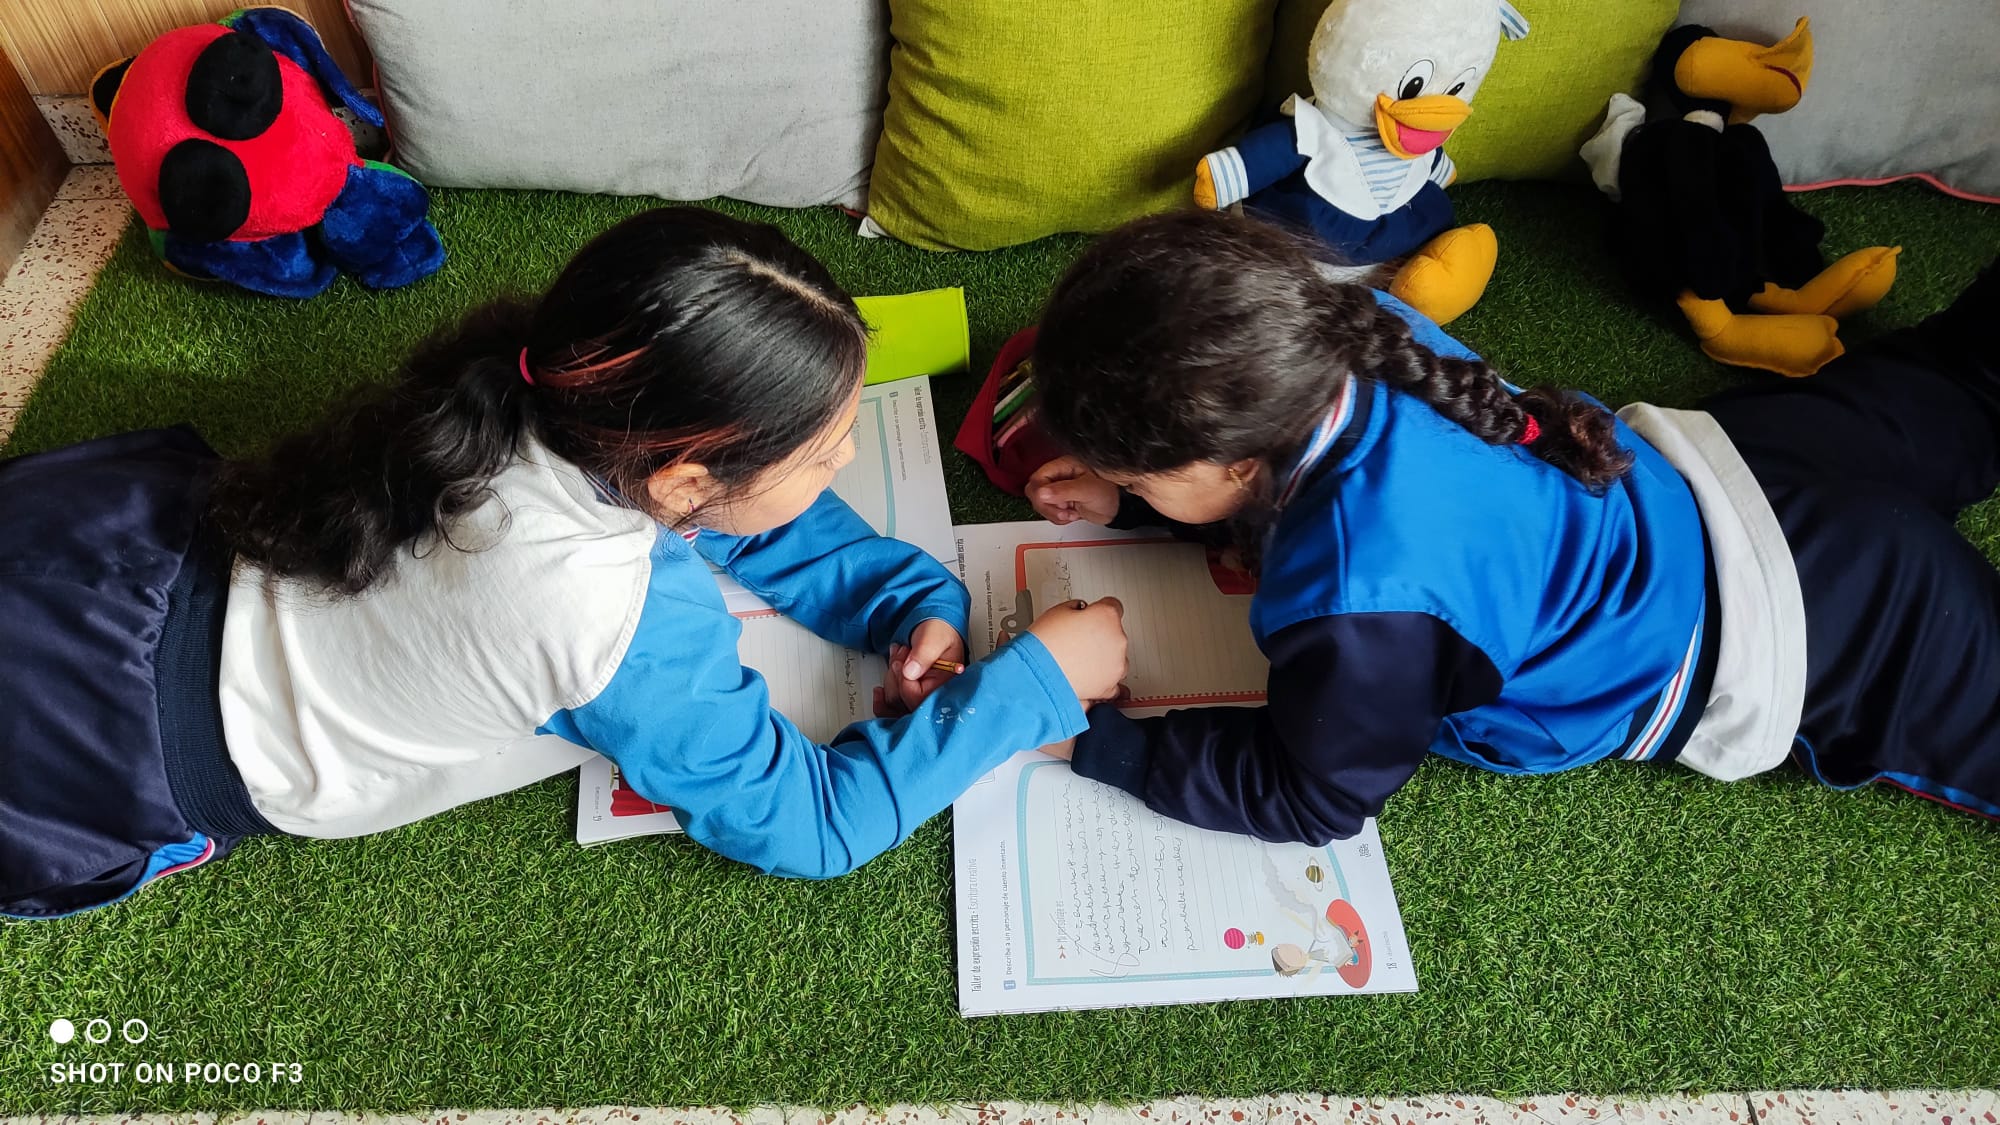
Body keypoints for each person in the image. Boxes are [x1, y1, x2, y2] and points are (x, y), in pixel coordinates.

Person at [0, 207, 1128, 920]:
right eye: (825, 452)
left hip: (108, 554)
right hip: (101, 753)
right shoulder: (619, 615)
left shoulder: (546, 374)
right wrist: (1030, 688)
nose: (840, 469)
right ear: (686, 479)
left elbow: (732, 503)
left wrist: (903, 598)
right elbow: (810, 824)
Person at [1024, 208, 2000, 842]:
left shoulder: (1360, 599)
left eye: (1141, 482)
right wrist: (1136, 498)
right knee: (1966, 374)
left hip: (1813, 628)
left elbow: (1311, 793)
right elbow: (1303, 485)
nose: (1138, 498)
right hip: (1726, 464)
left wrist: (1088, 737)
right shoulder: (1341, 328)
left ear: (1237, 461)